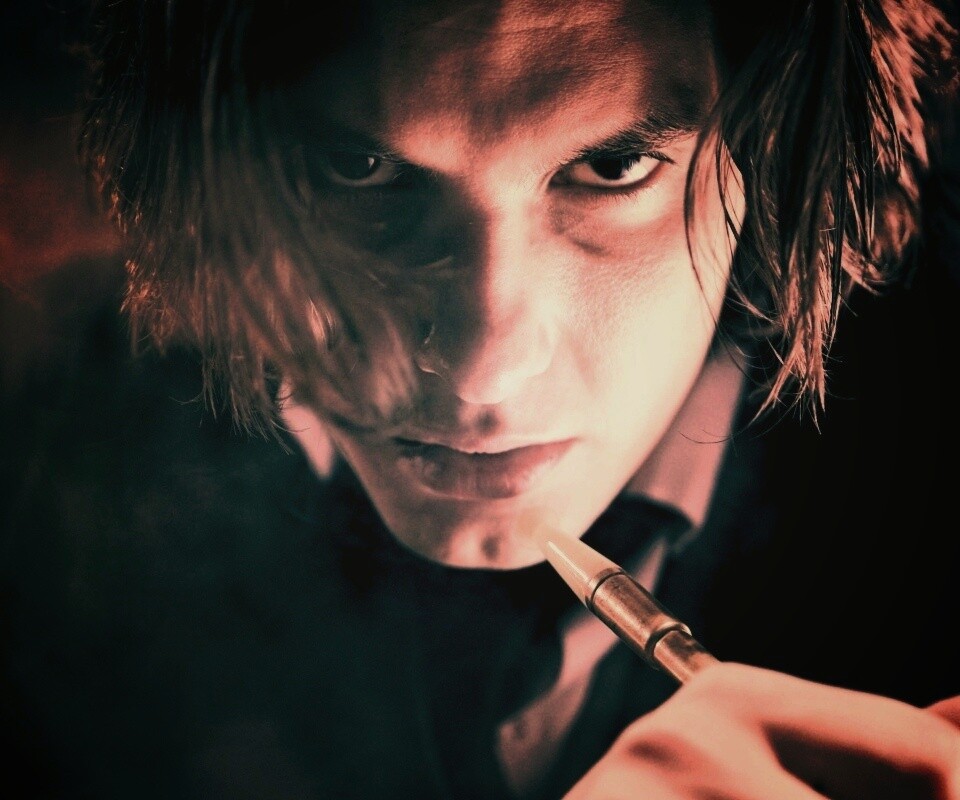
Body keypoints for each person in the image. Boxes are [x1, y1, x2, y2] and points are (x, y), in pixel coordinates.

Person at [2, 0, 959, 797]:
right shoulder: (43, 485)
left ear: (773, 153)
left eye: (613, 168)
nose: (481, 370)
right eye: (361, 171)